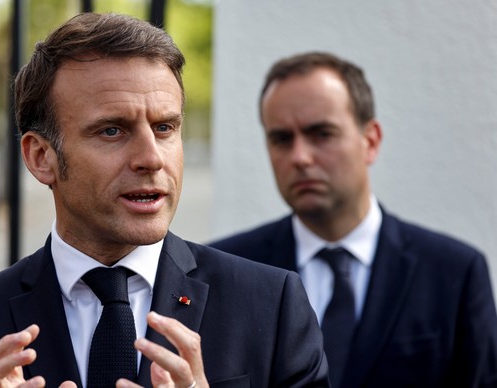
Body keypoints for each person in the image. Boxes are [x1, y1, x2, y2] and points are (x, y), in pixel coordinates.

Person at [0, 14, 329, 388]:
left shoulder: (271, 307)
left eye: (165, 127)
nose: (151, 158)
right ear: (41, 157)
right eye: (112, 131)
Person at [209, 52, 497, 388]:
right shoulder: (227, 271)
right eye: (281, 139)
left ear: (370, 141)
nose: (300, 157)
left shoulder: (453, 272)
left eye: (322, 134)